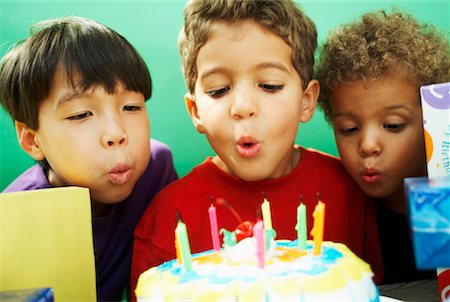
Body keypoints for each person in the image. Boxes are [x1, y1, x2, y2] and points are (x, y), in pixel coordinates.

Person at [130, 0, 384, 297]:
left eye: (269, 85)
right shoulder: (168, 218)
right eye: (218, 90)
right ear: (196, 110)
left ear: (307, 99)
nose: (243, 107)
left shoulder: (347, 191)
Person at [0, 16, 178, 301]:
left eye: (131, 106)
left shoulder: (156, 169)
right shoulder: (14, 225)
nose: (116, 133)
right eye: (81, 114)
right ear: (33, 139)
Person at [315, 10, 449, 284]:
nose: (367, 145)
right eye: (349, 129)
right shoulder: (341, 213)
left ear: (432, 117)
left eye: (393, 125)